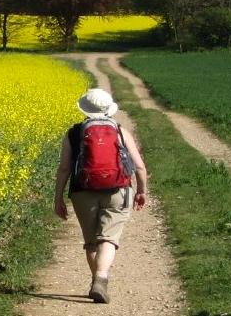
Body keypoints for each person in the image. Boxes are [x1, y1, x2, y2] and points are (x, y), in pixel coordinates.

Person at [54, 88, 149, 303]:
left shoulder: (73, 133)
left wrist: (58, 197)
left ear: (85, 110)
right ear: (109, 109)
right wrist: (141, 191)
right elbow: (140, 167)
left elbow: (64, 169)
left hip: (82, 191)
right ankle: (101, 278)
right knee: (108, 238)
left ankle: (96, 281)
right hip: (118, 190)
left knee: (91, 242)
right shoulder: (120, 131)